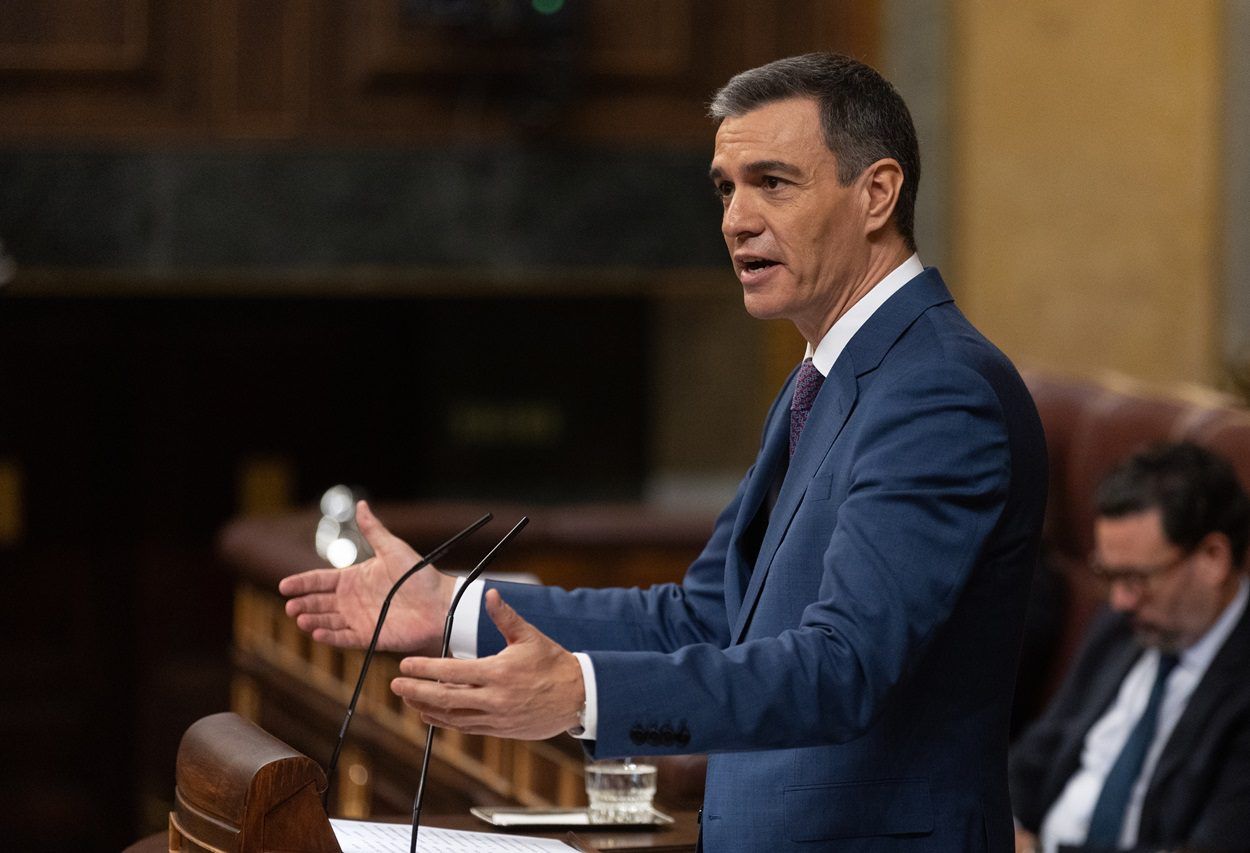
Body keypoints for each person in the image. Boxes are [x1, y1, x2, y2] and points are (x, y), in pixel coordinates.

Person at [281, 52, 1048, 851]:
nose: (735, 219)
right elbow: (706, 615)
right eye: (726, 187)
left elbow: (842, 668)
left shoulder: (938, 391)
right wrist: (451, 606)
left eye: (773, 183)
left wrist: (581, 692)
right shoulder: (821, 381)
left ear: (877, 194)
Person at [1010, 442, 1250, 853]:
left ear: (1213, 557)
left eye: (1136, 579)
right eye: (1109, 576)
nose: (1120, 600)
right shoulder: (1122, 629)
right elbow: (1035, 756)